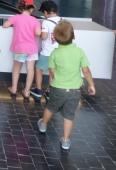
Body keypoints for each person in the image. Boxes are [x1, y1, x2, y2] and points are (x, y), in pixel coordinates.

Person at [37, 20, 96, 150]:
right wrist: (91, 85)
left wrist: (51, 85)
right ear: (73, 36)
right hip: (75, 91)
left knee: (51, 107)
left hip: (58, 88)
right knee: (69, 115)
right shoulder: (79, 52)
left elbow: (52, 72)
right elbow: (86, 71)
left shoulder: (55, 53)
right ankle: (65, 140)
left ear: (55, 38)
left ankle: (43, 125)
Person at [3, 0, 41, 99]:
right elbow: (38, 33)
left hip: (20, 48)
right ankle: (27, 91)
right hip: (32, 49)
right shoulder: (35, 20)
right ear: (32, 9)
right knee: (30, 69)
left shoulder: (16, 17)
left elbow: (5, 25)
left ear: (20, 8)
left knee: (16, 68)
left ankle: (14, 89)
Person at [30, 0, 61, 100]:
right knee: (53, 71)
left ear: (46, 12)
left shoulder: (46, 22)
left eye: (43, 13)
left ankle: (38, 90)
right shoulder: (62, 20)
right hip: (58, 52)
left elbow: (43, 37)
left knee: (38, 69)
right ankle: (49, 92)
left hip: (47, 52)